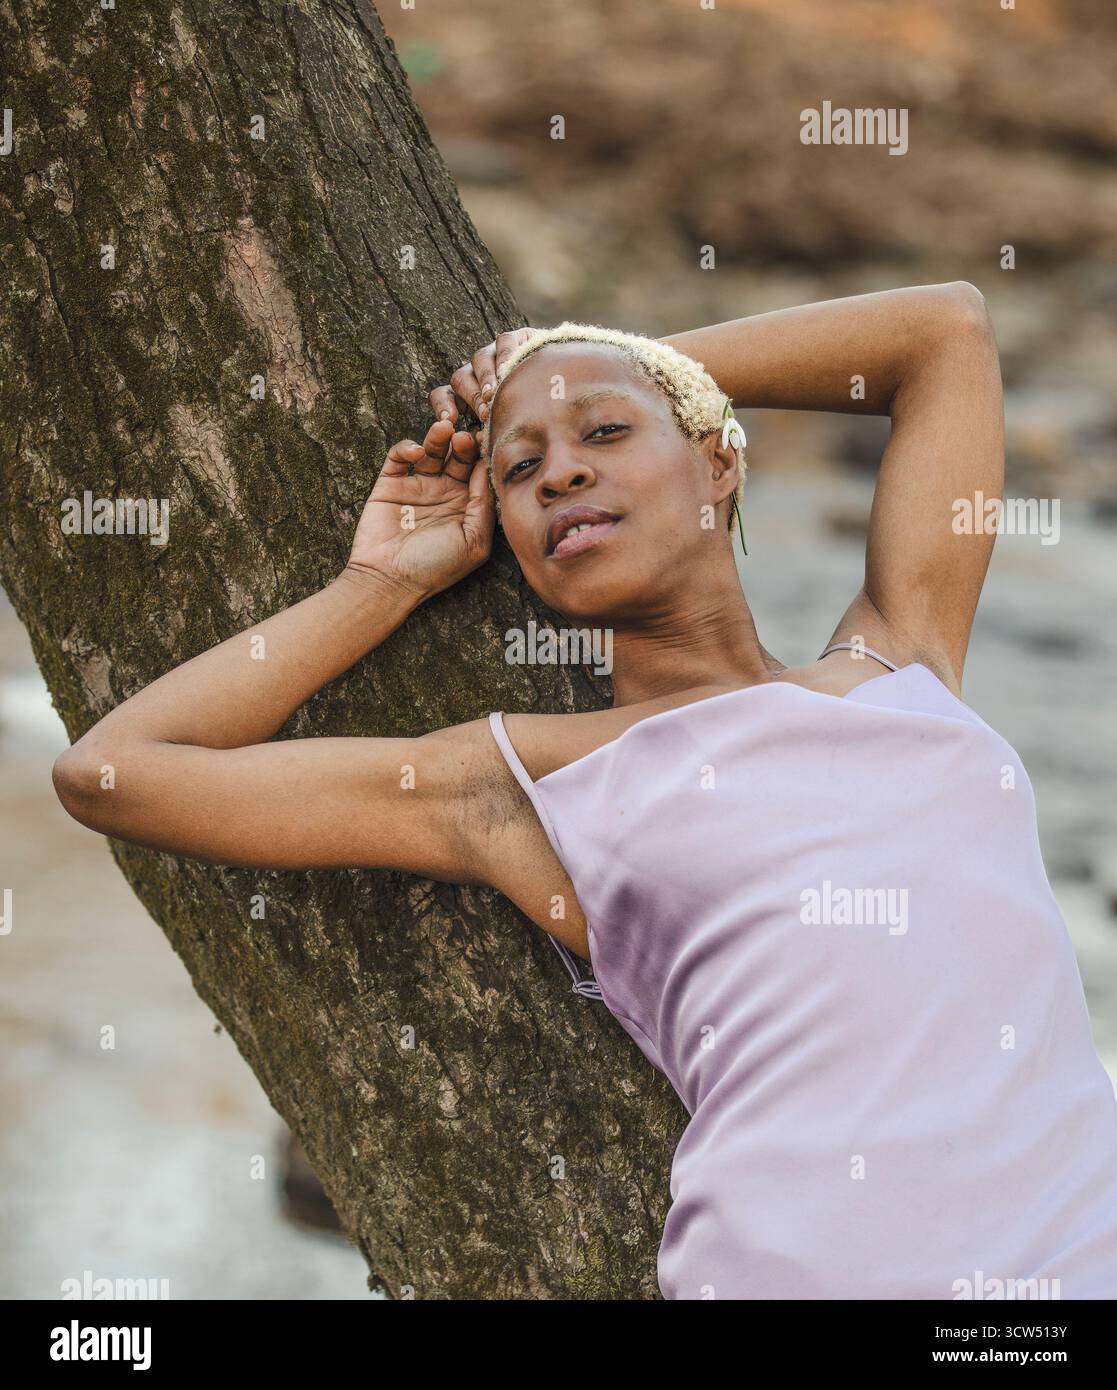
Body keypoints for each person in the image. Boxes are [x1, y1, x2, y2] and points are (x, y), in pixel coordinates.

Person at [53, 285, 1117, 1299]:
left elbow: (943, 332)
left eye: (605, 436)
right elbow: (111, 771)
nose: (559, 472)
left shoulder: (900, 658)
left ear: (717, 463)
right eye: (519, 469)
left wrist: (593, 363)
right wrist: (383, 583)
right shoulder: (525, 781)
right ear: (511, 538)